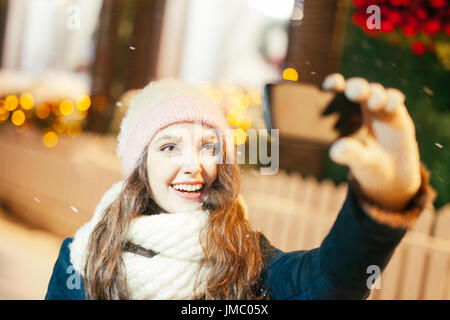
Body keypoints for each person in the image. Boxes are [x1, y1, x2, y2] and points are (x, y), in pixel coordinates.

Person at [45, 74, 436, 300]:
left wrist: (383, 203)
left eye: (208, 146)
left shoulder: (243, 255)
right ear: (139, 168)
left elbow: (326, 283)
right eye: (168, 147)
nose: (194, 164)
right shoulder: (81, 259)